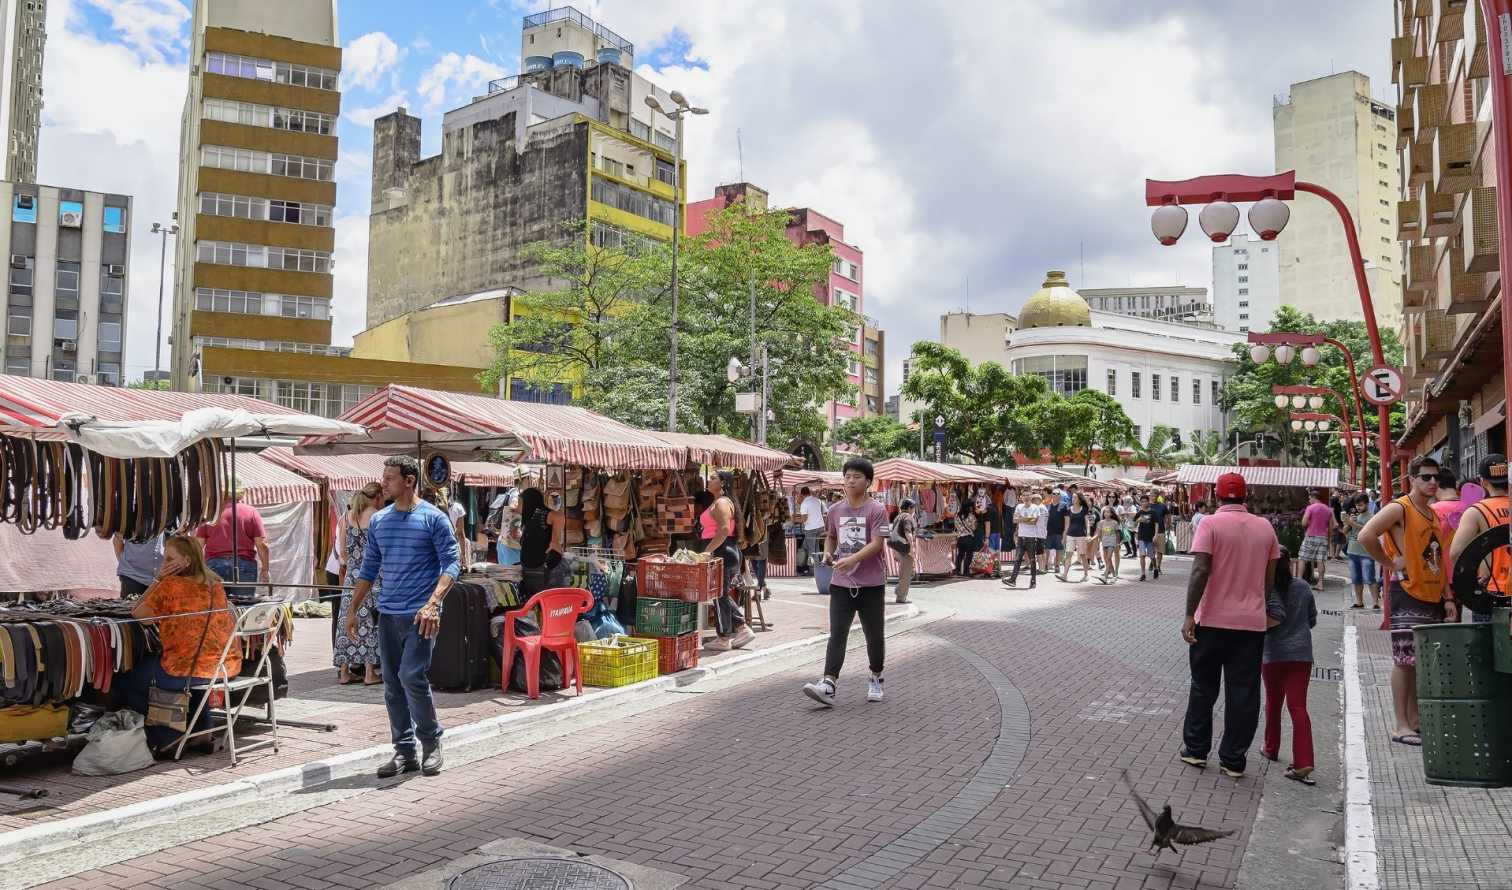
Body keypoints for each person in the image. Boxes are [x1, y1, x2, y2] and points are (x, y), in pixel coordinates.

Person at [346, 456, 461, 778]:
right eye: (383, 477)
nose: (383, 483)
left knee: (411, 676)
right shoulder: (380, 521)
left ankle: (431, 742)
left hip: (421, 615)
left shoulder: (433, 518)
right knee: (392, 684)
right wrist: (352, 610)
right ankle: (404, 751)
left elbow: (452, 563)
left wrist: (434, 603)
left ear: (409, 481)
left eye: (390, 478)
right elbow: (369, 568)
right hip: (388, 614)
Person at [1180, 472, 1285, 779]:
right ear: (1245, 495)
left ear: (1216, 496)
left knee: (1203, 687)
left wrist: (1189, 614)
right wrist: (1254, 604)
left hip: (1212, 621)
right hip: (1250, 625)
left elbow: (1200, 570)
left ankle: (1196, 750)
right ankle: (1233, 759)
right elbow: (1268, 579)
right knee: (1244, 692)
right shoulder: (1265, 527)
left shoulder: (1210, 524)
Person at [1358, 455, 1457, 748]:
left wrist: (1447, 596)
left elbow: (1437, 559)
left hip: (1431, 594)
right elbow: (1366, 535)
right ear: (1412, 479)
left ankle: (1414, 721)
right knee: (1404, 660)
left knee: (1418, 662)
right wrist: (1390, 563)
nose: (1432, 482)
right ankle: (1401, 723)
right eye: (1425, 477)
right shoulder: (1400, 508)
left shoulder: (1431, 513)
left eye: (1436, 477)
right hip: (1408, 592)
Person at [124, 535, 240, 752]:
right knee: (195, 674)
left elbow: (138, 613)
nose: (164, 564)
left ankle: (170, 736)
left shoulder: (170, 585)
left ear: (186, 561)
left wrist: (158, 579)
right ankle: (202, 732)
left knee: (128, 681)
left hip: (185, 670)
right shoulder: (215, 584)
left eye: (169, 559)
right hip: (223, 667)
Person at [803, 458, 890, 706]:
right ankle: (828, 683)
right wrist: (828, 553)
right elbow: (831, 536)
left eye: (857, 477)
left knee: (874, 635)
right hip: (841, 583)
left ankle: (876, 676)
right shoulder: (835, 510)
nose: (851, 481)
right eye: (848, 476)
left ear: (868, 482)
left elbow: (877, 544)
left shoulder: (877, 510)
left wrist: (852, 559)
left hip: (871, 584)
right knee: (837, 633)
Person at [1261, 548, 1318, 785]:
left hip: (1273, 655)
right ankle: (1304, 761)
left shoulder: (1267, 589)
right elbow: (1312, 619)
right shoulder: (1303, 587)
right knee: (1298, 707)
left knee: (1273, 704)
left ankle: (1271, 747)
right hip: (1301, 655)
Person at [1448, 454, 1508, 623]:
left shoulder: (1476, 511)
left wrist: (1474, 575)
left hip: (1493, 592)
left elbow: (1456, 552)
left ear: (1483, 482)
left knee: (1489, 640)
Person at [334, 483, 383, 686]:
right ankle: (370, 673)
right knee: (370, 621)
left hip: (351, 577)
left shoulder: (347, 517)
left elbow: (342, 552)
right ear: (377, 497)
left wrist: (352, 564)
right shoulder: (377, 517)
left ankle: (344, 672)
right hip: (372, 576)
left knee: (347, 619)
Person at [700, 471, 755, 652]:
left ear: (723, 483)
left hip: (722, 551)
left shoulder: (722, 503)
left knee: (718, 593)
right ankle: (738, 630)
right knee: (719, 593)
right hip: (723, 551)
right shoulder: (718, 502)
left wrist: (708, 551)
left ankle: (725, 637)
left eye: (713, 478)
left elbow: (724, 530)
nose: (709, 480)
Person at [195, 485, 270, 597]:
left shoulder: (210, 514)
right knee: (243, 604)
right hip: (244, 565)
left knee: (217, 604)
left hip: (214, 566)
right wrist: (265, 569)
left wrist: (197, 569)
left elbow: (197, 545)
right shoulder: (251, 512)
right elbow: (262, 544)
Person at [516, 487, 562, 599]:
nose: (518, 507)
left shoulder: (546, 515)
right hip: (531, 567)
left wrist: (554, 543)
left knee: (536, 600)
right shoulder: (530, 517)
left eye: (520, 503)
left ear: (529, 502)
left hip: (540, 567)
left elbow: (558, 517)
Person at [1343, 494, 1381, 610]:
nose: (1358, 507)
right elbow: (1344, 532)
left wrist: (1352, 523)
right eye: (1357, 505)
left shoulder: (1371, 517)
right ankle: (1359, 602)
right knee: (1356, 579)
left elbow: (1368, 530)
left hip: (1366, 553)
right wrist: (1348, 523)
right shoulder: (1355, 517)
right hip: (1352, 551)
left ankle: (1375, 602)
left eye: (1360, 505)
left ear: (1367, 504)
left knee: (1369, 578)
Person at [1004, 490, 1048, 588]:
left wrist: (1021, 519)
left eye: (1027, 495)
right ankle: (1013, 579)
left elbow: (1034, 522)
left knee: (1032, 560)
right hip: (1021, 536)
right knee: (1017, 559)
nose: (1026, 497)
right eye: (1024, 495)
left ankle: (1033, 581)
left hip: (1031, 537)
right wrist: (1027, 518)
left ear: (1031, 496)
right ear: (1021, 497)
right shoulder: (1019, 506)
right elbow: (1014, 520)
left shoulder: (1035, 507)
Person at [1299, 489, 1335, 591]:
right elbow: (1331, 527)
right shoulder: (1328, 509)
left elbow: (1303, 523)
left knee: (1302, 558)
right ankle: (1320, 583)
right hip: (1323, 538)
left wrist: (1309, 523)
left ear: (1313, 498)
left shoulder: (1310, 508)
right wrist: (1328, 539)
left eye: (1309, 498)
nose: (1309, 500)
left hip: (1311, 536)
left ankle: (1299, 581)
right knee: (1320, 560)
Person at [113, 531, 164, 598]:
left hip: (163, 577)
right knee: (130, 604)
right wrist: (126, 564)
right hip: (133, 576)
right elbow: (118, 540)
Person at [1058, 491, 1093, 582]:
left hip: (1081, 535)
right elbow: (1067, 525)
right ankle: (1064, 575)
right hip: (1070, 535)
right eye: (1072, 497)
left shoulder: (1084, 509)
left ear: (1079, 499)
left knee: (1083, 555)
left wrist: (1088, 534)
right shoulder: (1069, 509)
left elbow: (1087, 523)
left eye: (1075, 497)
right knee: (1068, 554)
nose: (1073, 499)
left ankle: (1086, 575)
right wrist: (1064, 537)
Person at [892, 498, 918, 604]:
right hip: (906, 548)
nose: (914, 510)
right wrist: (912, 548)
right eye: (913, 508)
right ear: (910, 508)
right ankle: (901, 595)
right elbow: (908, 533)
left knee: (905, 572)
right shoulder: (908, 517)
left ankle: (900, 591)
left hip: (898, 547)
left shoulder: (898, 517)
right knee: (907, 573)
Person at [798, 486, 826, 576]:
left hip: (811, 528)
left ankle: (814, 570)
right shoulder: (817, 500)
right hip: (820, 527)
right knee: (815, 548)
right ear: (809, 493)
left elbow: (804, 519)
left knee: (812, 550)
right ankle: (817, 567)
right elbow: (824, 513)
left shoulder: (804, 503)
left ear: (802, 494)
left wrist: (794, 519)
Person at [1134, 497, 1159, 581]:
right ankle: (1143, 574)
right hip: (1141, 536)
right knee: (1142, 555)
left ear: (1148, 502)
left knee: (1151, 555)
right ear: (1140, 503)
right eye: (1142, 502)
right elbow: (1134, 524)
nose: (1144, 503)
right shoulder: (1139, 513)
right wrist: (1138, 521)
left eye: (1145, 501)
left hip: (1150, 537)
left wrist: (1155, 535)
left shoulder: (1153, 512)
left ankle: (1155, 567)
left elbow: (1156, 524)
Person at [953, 502, 981, 576]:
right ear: (968, 507)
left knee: (960, 555)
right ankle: (966, 571)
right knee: (968, 555)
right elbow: (974, 527)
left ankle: (957, 571)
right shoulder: (971, 516)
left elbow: (956, 526)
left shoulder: (956, 516)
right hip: (969, 538)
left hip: (960, 538)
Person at [1097, 506, 1122, 583]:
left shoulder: (1115, 522)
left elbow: (1117, 533)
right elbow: (1099, 534)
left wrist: (1118, 543)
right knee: (1107, 559)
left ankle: (1105, 574)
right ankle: (1114, 575)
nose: (1106, 513)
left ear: (1111, 514)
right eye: (1105, 512)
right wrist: (1098, 542)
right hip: (1104, 542)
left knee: (1108, 557)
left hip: (1112, 542)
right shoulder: (1101, 522)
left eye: (1108, 512)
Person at [1044, 495, 1067, 575]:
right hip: (1048, 531)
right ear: (1051, 495)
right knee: (1047, 548)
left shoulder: (1063, 505)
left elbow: (1066, 519)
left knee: (1058, 549)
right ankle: (1046, 565)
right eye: (1054, 493)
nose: (1055, 495)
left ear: (1060, 496)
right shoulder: (1047, 505)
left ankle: (1057, 565)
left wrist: (1065, 531)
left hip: (1059, 531)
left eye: (1057, 494)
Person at [1149, 494, 1171, 579]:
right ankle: (1153, 562)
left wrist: (1168, 524)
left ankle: (1158, 566)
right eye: (1152, 496)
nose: (1153, 497)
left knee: (1160, 550)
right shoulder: (1148, 505)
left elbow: (1168, 515)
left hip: (1161, 530)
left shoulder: (1162, 506)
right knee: (1151, 550)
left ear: (1158, 496)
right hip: (1150, 531)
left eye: (1155, 496)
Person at [446, 491, 469, 567]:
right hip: (451, 547)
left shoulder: (430, 507)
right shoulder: (457, 507)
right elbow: (461, 533)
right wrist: (463, 554)